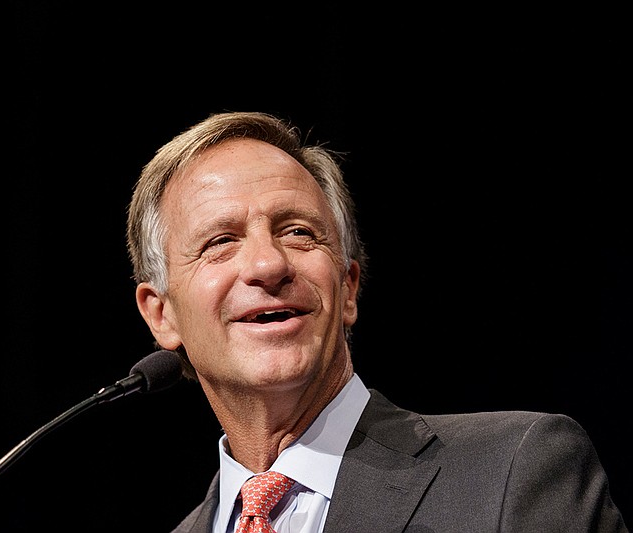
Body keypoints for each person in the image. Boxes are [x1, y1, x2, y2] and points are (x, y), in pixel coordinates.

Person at [126, 111, 628, 532]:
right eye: (220, 241)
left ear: (347, 288)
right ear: (161, 313)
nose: (268, 265)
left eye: (299, 232)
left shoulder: (512, 474)